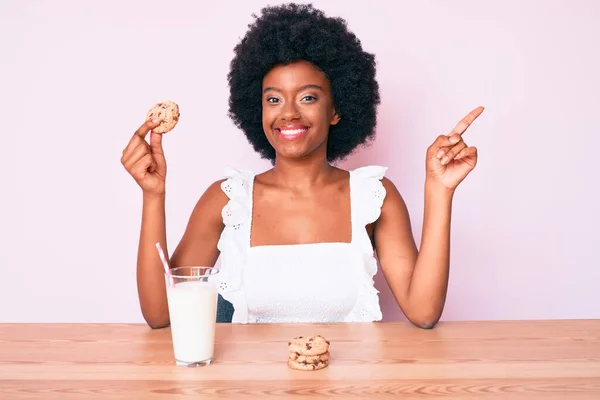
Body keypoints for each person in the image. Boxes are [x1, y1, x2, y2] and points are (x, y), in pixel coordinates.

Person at [120, 3, 483, 329]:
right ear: (257, 110)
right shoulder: (228, 199)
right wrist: (153, 195)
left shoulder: (373, 197)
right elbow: (160, 314)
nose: (289, 112)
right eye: (273, 99)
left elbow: (423, 312)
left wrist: (439, 191)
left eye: (308, 97)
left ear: (337, 109)